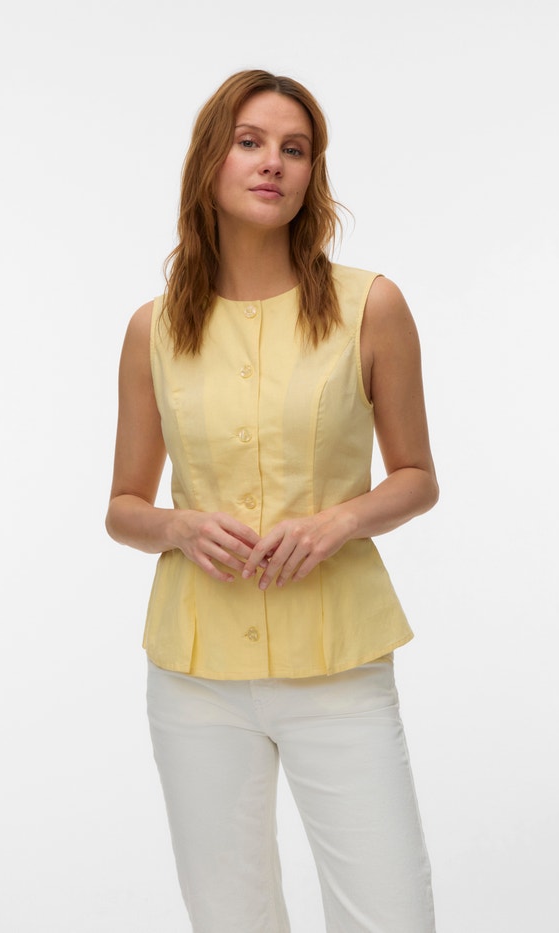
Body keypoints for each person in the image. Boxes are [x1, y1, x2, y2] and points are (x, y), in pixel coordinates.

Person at [106, 69, 438, 933]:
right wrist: (178, 526)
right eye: (250, 142)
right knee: (230, 918)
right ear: (209, 161)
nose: (273, 163)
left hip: (339, 662)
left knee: (390, 915)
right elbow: (123, 505)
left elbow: (416, 475)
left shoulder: (371, 306)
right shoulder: (153, 328)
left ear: (312, 173)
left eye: (295, 149)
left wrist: (341, 520)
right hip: (194, 673)